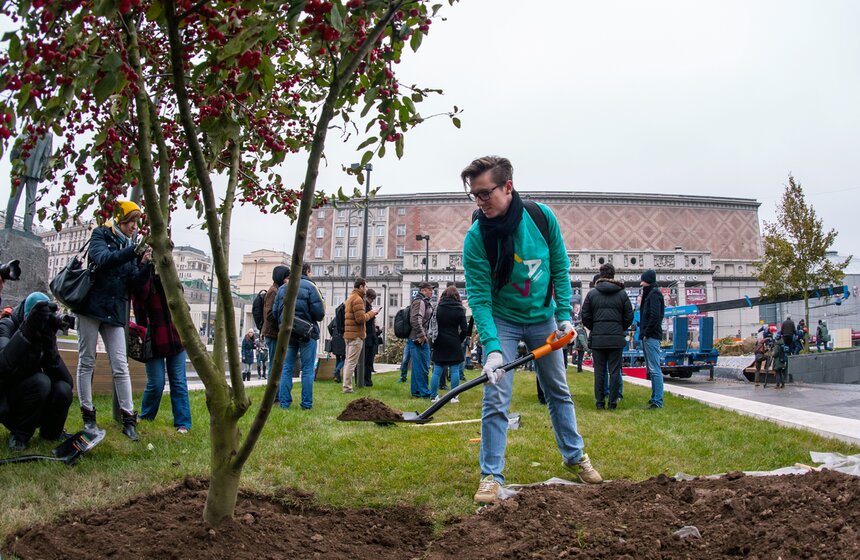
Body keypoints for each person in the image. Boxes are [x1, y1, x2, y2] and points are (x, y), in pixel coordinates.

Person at [461, 155, 602, 503]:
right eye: (474, 195)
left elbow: (559, 266)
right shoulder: (477, 238)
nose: (479, 202)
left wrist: (564, 313)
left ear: (508, 187)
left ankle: (575, 456)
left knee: (558, 389)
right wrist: (492, 348)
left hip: (543, 319)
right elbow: (479, 299)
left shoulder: (541, 218)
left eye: (484, 193)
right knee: (496, 396)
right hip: (504, 320)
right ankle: (491, 476)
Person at [74, 200, 151, 441]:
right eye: (131, 221)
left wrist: (145, 265)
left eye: (136, 222)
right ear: (121, 219)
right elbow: (103, 260)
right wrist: (133, 251)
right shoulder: (101, 234)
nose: (134, 227)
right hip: (92, 307)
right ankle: (88, 415)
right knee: (87, 361)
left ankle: (129, 419)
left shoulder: (130, 245)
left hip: (116, 311)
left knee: (120, 364)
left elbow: (133, 283)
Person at [0, 293, 73, 451]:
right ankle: (19, 435)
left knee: (63, 388)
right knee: (41, 381)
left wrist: (49, 341)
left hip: (32, 399)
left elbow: (67, 382)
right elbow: (3, 365)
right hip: (7, 400)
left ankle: (52, 433)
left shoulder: (42, 334)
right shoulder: (7, 325)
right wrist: (27, 329)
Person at [132, 264, 192, 434]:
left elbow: (181, 304)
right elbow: (139, 295)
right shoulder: (142, 279)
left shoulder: (171, 279)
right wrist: (145, 267)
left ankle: (183, 423)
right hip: (152, 338)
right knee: (157, 383)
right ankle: (147, 416)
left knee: (179, 381)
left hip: (174, 336)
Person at [582, 264, 634, 410]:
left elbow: (585, 316)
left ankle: (599, 402)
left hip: (598, 338)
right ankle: (613, 402)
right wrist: (619, 328)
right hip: (616, 338)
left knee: (599, 371)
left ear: (600, 274)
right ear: (613, 275)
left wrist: (595, 327)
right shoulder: (622, 294)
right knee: (615, 371)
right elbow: (629, 316)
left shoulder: (592, 294)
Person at [273, 263, 325, 409]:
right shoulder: (311, 287)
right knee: (308, 369)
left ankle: (284, 403)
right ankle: (306, 404)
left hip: (288, 333)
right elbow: (320, 313)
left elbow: (275, 312)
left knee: (286, 368)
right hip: (307, 333)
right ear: (308, 271)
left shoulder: (283, 288)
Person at [5, 132, 52, 234]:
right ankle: (28, 229)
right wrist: (43, 174)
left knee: (14, 197)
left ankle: (8, 225)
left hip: (19, 169)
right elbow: (47, 157)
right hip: (34, 172)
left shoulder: (27, 130)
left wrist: (14, 162)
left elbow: (15, 150)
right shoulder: (48, 135)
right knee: (31, 200)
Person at [429, 286, 469, 402]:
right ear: (457, 296)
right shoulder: (459, 309)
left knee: (437, 370)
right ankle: (454, 397)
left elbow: (432, 325)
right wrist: (459, 339)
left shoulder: (438, 308)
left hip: (439, 341)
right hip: (454, 341)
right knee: (455, 369)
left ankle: (433, 396)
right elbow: (465, 330)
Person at [342, 278, 376, 394]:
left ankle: (346, 385)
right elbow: (360, 319)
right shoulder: (358, 299)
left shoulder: (350, 297)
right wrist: (372, 313)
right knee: (351, 362)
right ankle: (347, 387)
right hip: (356, 335)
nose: (366, 289)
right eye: (366, 286)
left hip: (348, 334)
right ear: (361, 287)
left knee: (348, 362)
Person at [639, 269, 665, 409]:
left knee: (655, 369)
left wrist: (646, 332)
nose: (641, 283)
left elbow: (655, 316)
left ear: (648, 280)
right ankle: (655, 397)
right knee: (652, 369)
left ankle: (657, 400)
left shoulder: (654, 294)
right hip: (649, 335)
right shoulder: (651, 293)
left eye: (643, 280)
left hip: (651, 336)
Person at [261, 266, 290, 374]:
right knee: (274, 364)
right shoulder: (273, 291)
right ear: (281, 278)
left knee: (277, 363)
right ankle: (272, 390)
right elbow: (269, 314)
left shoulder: (278, 290)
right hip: (272, 333)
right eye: (287, 278)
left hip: (274, 332)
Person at [408, 282, 434, 399]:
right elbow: (415, 319)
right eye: (429, 290)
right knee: (422, 366)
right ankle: (424, 392)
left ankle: (416, 391)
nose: (431, 292)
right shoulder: (420, 301)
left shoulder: (423, 301)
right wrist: (422, 335)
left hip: (417, 337)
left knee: (418, 365)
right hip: (418, 338)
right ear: (423, 290)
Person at [362, 288, 378, 387]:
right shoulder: (364, 306)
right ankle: (364, 380)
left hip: (370, 337)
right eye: (372, 299)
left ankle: (367, 380)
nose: (372, 301)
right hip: (367, 337)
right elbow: (363, 319)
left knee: (369, 361)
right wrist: (373, 314)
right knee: (365, 361)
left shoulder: (368, 306)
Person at [326, 310, 345, 383]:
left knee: (338, 358)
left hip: (335, 340)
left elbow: (329, 327)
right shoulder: (344, 318)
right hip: (342, 340)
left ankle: (337, 378)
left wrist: (332, 334)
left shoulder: (336, 318)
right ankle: (336, 370)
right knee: (345, 358)